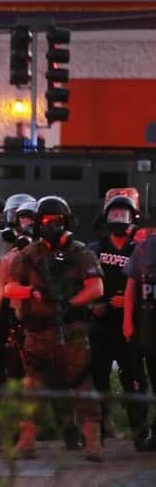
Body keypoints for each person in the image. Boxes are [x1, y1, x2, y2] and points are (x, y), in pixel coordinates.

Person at [5, 196, 105, 461]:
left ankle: (93, 442)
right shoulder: (27, 255)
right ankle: (26, 442)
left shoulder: (80, 253)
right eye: (46, 221)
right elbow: (9, 288)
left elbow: (96, 287)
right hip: (37, 336)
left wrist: (70, 304)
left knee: (83, 387)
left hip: (72, 333)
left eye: (57, 221)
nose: (52, 226)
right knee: (31, 392)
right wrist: (33, 292)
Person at [87, 189, 147, 442]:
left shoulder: (142, 250)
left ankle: (139, 430)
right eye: (114, 213)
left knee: (134, 379)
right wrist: (93, 305)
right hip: (100, 324)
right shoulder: (95, 249)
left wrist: (132, 302)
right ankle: (102, 428)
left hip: (131, 327)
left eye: (124, 213)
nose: (119, 217)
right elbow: (80, 284)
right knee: (99, 378)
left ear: (133, 217)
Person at [0, 199, 39, 383]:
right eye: (23, 220)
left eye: (32, 220)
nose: (28, 225)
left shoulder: (57, 252)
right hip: (18, 318)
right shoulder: (11, 256)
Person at [123, 219, 156, 451]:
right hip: (147, 327)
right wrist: (127, 320)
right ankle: (145, 432)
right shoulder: (144, 248)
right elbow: (130, 287)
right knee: (147, 380)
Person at [0, 194, 36, 276]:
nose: (16, 220)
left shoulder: (41, 242)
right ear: (6, 215)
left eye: (24, 216)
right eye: (13, 214)